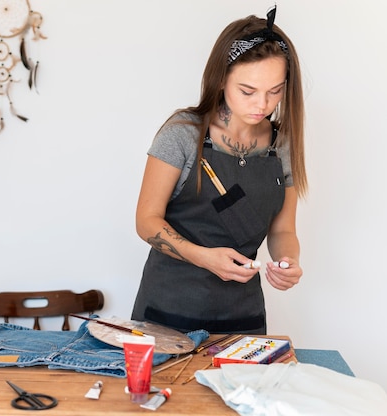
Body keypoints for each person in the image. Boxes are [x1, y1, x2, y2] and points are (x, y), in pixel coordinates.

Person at [131, 6, 307, 335]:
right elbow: (146, 221)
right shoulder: (183, 133)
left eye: (275, 91)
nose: (262, 105)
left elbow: (283, 230)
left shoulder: (282, 145)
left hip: (242, 320)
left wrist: (288, 262)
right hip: (167, 313)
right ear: (221, 78)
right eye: (247, 91)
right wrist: (203, 257)